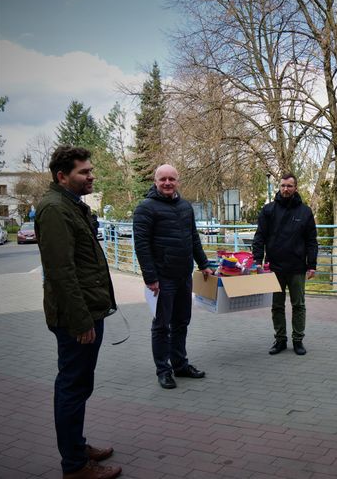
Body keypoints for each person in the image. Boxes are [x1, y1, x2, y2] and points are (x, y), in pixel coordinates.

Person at [35, 146, 121, 479]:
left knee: (79, 384)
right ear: (62, 176)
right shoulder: (55, 209)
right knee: (72, 386)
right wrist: (81, 320)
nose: (91, 176)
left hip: (86, 311)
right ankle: (74, 466)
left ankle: (76, 445)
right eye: (84, 172)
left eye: (90, 170)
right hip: (77, 318)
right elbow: (61, 272)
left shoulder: (71, 205)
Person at [133, 164, 214, 389]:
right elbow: (141, 245)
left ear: (178, 180)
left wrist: (204, 264)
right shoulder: (145, 208)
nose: (167, 183)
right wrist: (150, 278)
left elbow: (194, 239)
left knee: (181, 322)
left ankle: (180, 364)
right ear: (155, 181)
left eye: (172, 179)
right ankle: (163, 370)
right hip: (162, 279)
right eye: (163, 179)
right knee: (161, 325)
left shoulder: (185, 206)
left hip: (183, 276)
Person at [252, 173, 318, 356]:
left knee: (299, 305)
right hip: (274, 268)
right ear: (278, 187)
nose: (286, 189)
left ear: (295, 188)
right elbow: (259, 237)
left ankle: (298, 340)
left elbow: (312, 240)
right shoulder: (268, 210)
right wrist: (257, 260)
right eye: (283, 186)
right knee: (277, 306)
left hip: (297, 267)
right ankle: (280, 339)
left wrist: (312, 264)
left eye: (289, 186)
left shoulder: (305, 212)